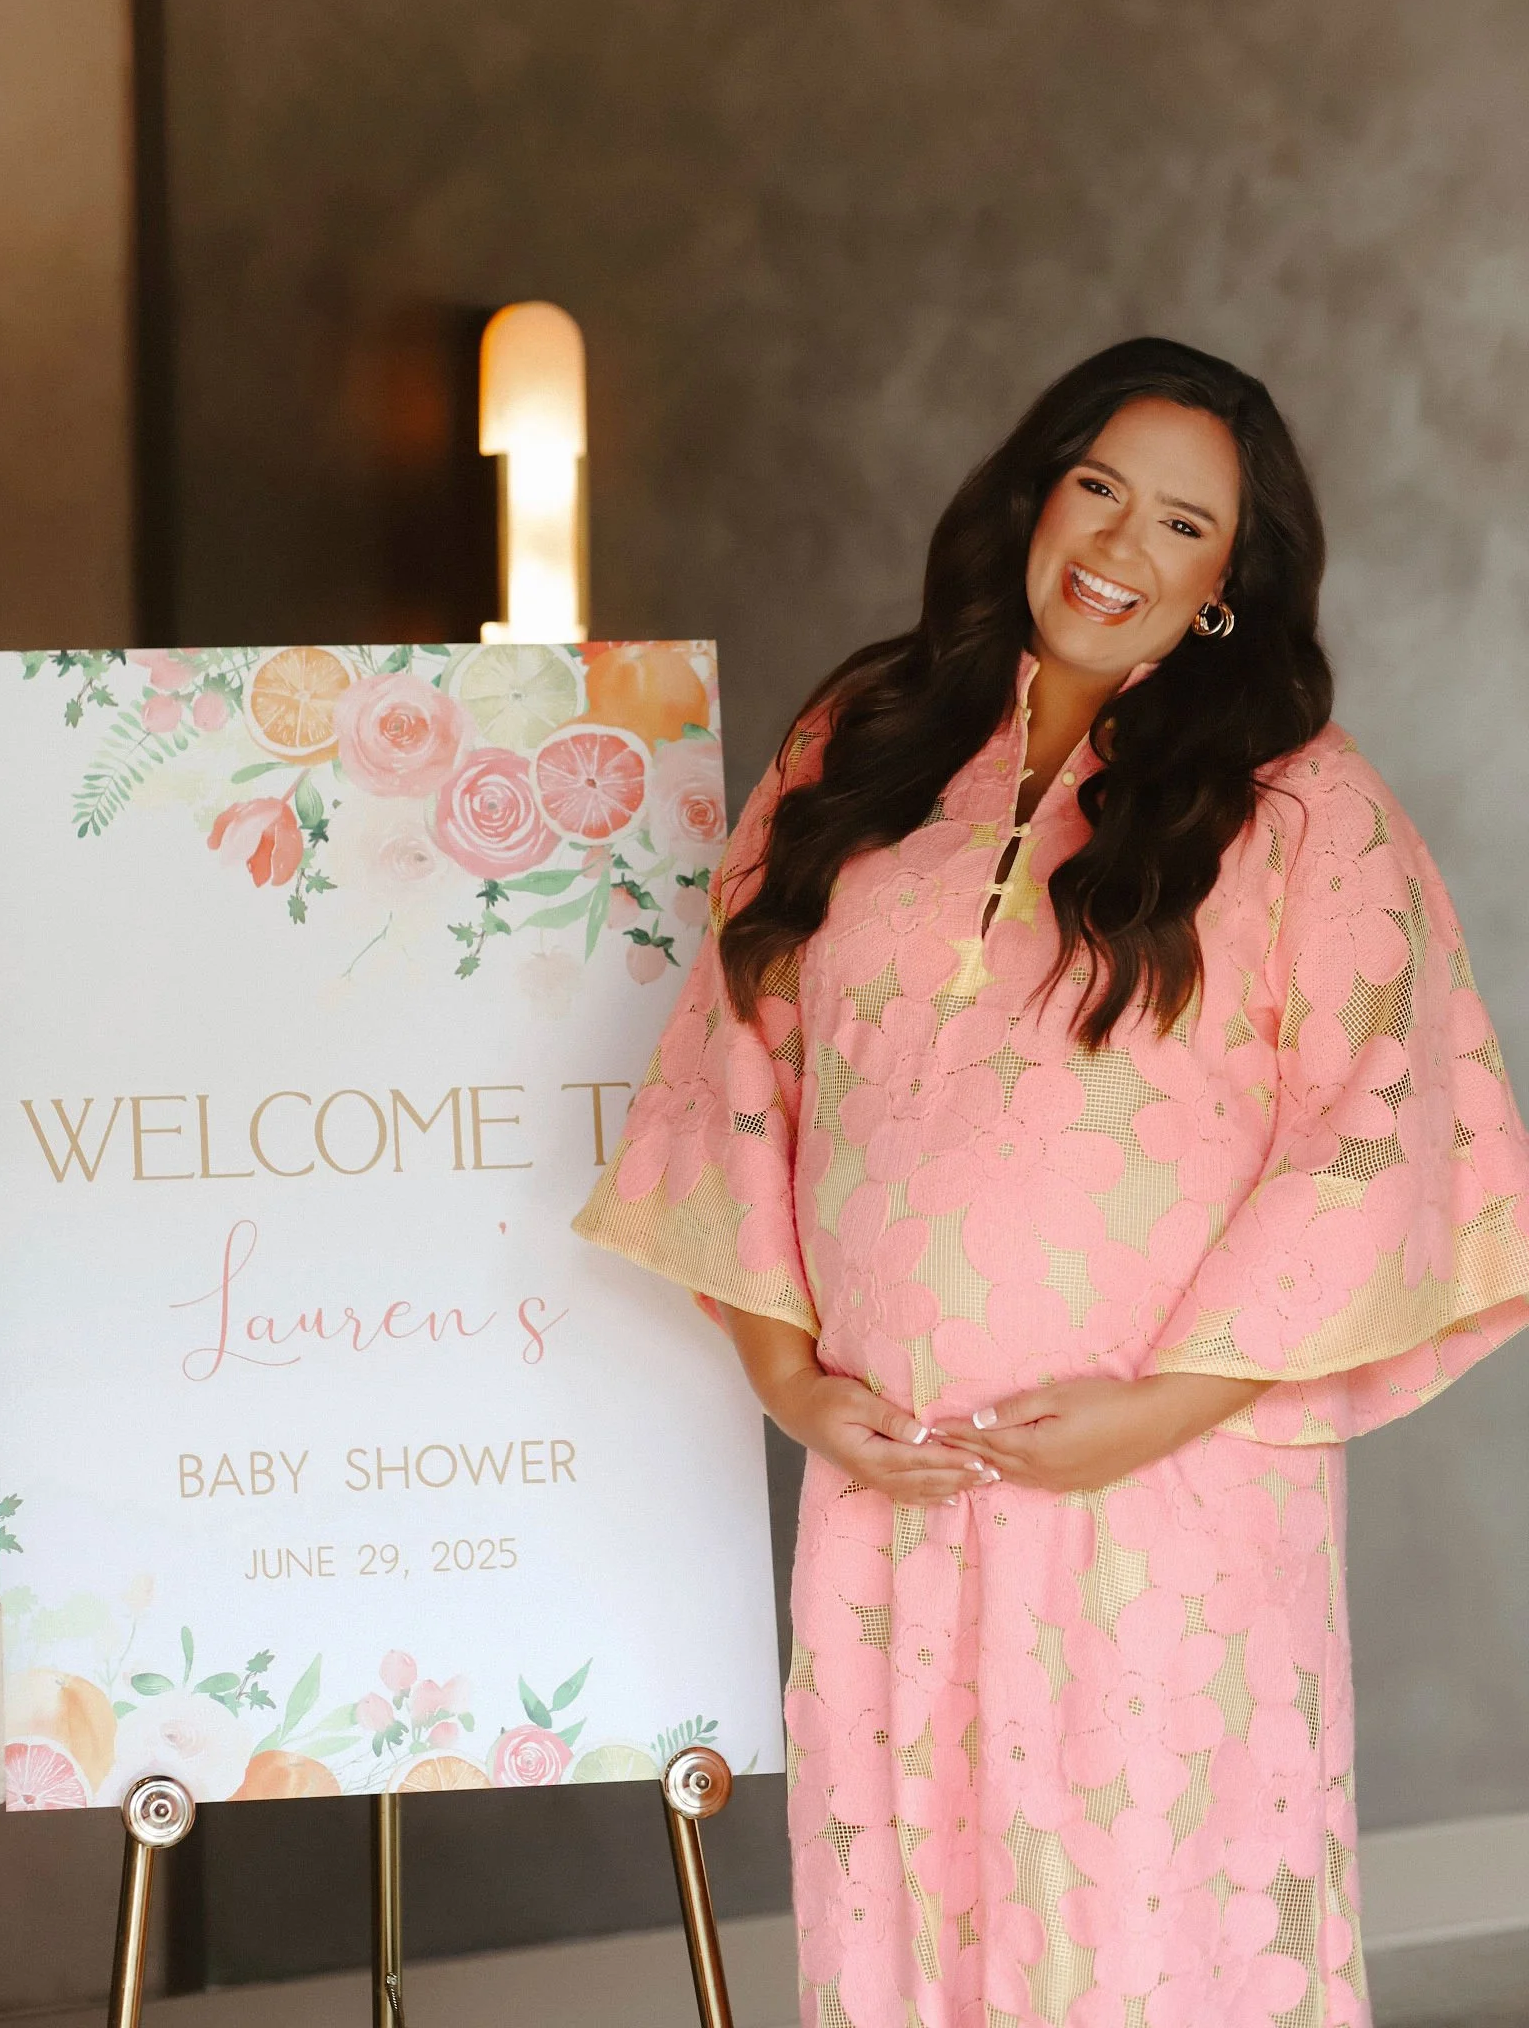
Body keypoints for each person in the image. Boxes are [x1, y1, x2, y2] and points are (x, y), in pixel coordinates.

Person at [574, 337, 1529, 2028]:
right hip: (897, 1486)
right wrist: (791, 1383)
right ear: (1034, 496)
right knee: (911, 1917)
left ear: (1227, 587)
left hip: (1165, 1498)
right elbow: (737, 1063)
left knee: (1154, 1930)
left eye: (1183, 526)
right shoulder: (857, 748)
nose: (1120, 546)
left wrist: (1160, 1412)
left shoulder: (1305, 814)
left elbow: (1377, 1133)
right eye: (1099, 488)